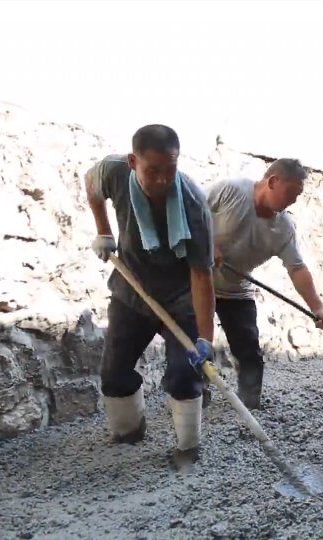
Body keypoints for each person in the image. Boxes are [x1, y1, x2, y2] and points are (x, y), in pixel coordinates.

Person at [84, 124, 216, 468]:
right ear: (132, 162)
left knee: (184, 373)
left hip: (181, 297)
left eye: (170, 170)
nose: (162, 180)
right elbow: (90, 183)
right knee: (113, 371)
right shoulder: (113, 172)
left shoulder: (193, 205)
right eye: (152, 171)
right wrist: (103, 231)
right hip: (132, 291)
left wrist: (204, 339)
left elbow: (202, 276)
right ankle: (129, 430)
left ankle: (188, 448)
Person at [206, 158, 323, 410]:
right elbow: (190, 211)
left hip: (236, 291)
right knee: (194, 345)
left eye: (298, 195)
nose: (294, 200)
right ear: (273, 182)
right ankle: (193, 400)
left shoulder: (283, 229)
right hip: (197, 283)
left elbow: (297, 269)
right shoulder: (230, 190)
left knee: (250, 353)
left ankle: (248, 407)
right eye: (292, 192)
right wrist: (209, 242)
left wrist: (317, 308)